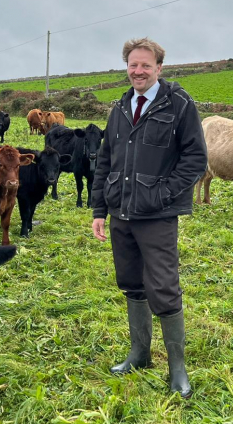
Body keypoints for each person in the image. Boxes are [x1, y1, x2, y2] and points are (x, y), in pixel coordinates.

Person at [91, 37, 207, 398]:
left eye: (145, 65)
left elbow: (195, 159)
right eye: (132, 65)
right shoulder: (121, 107)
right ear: (126, 67)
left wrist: (161, 194)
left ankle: (178, 369)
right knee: (130, 282)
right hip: (120, 213)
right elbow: (105, 160)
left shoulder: (179, 104)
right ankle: (139, 353)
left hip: (157, 216)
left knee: (164, 286)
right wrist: (98, 209)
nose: (138, 71)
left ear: (159, 67)